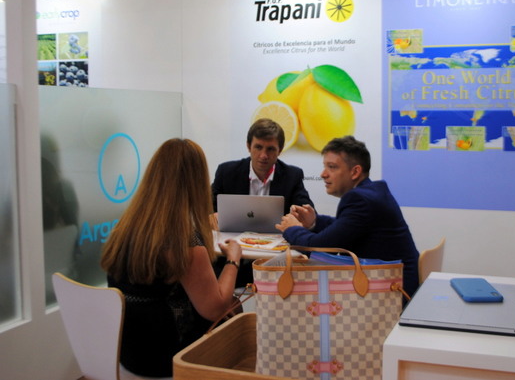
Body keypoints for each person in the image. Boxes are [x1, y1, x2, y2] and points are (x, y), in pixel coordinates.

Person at [100, 138, 242, 377]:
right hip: (166, 357)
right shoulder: (184, 242)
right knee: (233, 311)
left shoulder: (124, 228)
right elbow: (215, 309)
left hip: (128, 352)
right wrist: (233, 259)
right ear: (196, 182)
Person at [276, 135, 420, 297]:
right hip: (392, 283)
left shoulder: (360, 200)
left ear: (355, 172)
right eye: (325, 166)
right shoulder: (371, 192)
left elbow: (319, 249)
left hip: (391, 292)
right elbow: (344, 226)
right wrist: (314, 222)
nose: (323, 174)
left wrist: (292, 229)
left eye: (332, 167)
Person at [211, 118, 314, 285]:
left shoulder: (292, 175)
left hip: (274, 256)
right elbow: (208, 206)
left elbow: (304, 209)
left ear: (280, 150)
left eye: (270, 149)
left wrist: (305, 217)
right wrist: (213, 215)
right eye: (258, 147)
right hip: (230, 247)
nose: (263, 155)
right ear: (248, 146)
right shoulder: (227, 171)